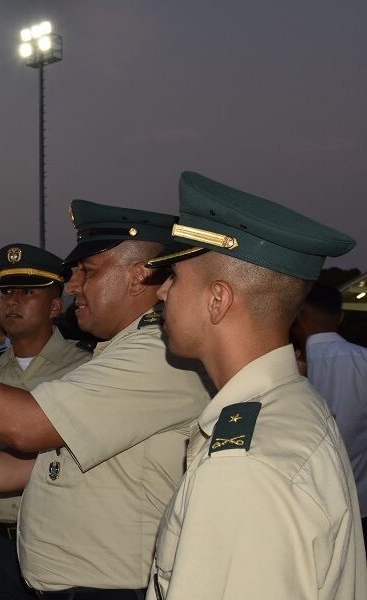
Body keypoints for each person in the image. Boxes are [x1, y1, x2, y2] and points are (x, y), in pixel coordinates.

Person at [0, 201, 212, 597]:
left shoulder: (158, 353)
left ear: (138, 277)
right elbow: (45, 462)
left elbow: (28, 426)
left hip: (113, 588)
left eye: (89, 271)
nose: (72, 286)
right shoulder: (119, 351)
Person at [145, 171, 366, 599]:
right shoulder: (293, 403)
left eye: (174, 277)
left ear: (217, 300)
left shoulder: (243, 472)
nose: (161, 293)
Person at [0, 243, 93, 600]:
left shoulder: (85, 371)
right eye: (5, 292)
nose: (12, 301)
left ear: (54, 306)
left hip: (62, 541)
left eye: (28, 292)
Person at [292, 283, 367, 542]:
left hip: (306, 509)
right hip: (360, 504)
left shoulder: (290, 364)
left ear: (300, 315)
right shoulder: (363, 359)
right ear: (341, 316)